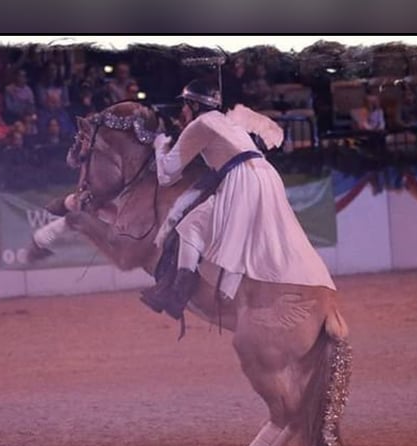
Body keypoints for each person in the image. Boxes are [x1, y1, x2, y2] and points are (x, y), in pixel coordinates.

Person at [140, 79, 335, 320]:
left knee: (190, 227)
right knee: (260, 236)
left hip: (241, 178)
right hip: (266, 175)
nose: (182, 111)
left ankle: (177, 296)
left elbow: (166, 176)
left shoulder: (200, 123)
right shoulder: (225, 120)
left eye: (185, 106)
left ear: (194, 105)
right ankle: (232, 286)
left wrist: (160, 146)